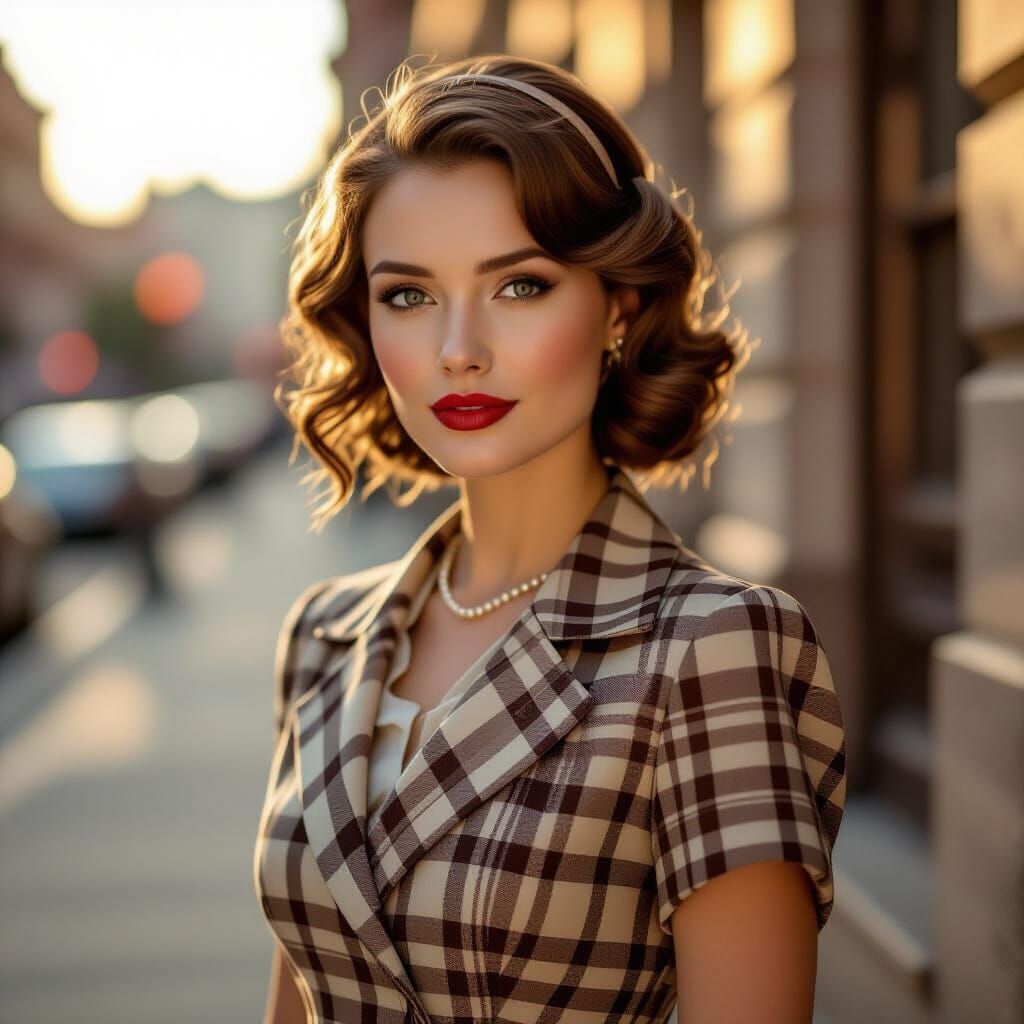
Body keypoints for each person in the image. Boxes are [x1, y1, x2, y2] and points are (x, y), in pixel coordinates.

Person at [254, 53, 847, 1024]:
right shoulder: (324, 636)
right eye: (408, 295)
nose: (459, 350)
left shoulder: (712, 649)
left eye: (519, 285)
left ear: (617, 303)